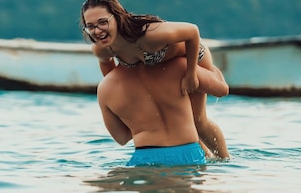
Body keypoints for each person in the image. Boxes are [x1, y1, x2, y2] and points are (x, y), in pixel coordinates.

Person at [80, 0, 229, 159]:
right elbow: (107, 66)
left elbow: (192, 32)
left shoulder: (149, 35)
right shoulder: (102, 49)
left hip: (193, 56)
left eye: (103, 22)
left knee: (198, 120)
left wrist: (191, 75)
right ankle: (206, 158)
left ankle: (225, 159)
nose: (97, 31)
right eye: (90, 26)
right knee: (183, 123)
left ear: (117, 17)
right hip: (162, 68)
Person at [96, 55, 228, 166]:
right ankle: (225, 159)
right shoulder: (180, 66)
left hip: (145, 158)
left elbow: (122, 138)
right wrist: (208, 65)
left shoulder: (106, 87)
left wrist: (141, 123)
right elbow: (221, 90)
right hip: (188, 153)